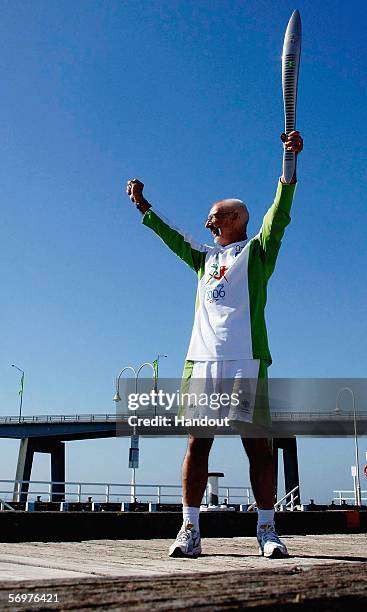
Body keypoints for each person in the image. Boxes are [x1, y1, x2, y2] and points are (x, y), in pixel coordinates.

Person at [126, 130, 303, 559]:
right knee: (197, 444)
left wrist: (289, 164)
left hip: (246, 361)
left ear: (236, 219)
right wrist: (146, 209)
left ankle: (266, 529)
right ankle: (190, 529)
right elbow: (173, 236)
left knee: (258, 447)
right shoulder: (204, 258)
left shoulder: (257, 252)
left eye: (215, 217)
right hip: (202, 362)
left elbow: (279, 215)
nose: (208, 222)